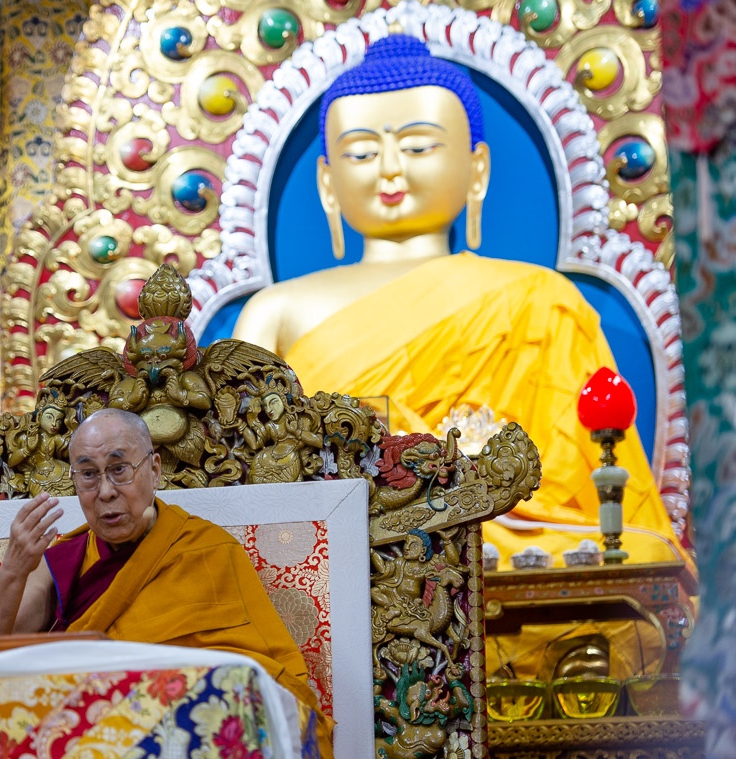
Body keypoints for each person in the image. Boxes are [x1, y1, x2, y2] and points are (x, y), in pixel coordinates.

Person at [231, 34, 689, 569]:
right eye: (361, 152)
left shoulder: (539, 299)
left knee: (635, 551)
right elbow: (248, 474)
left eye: (419, 146)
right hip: (349, 553)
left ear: (478, 169)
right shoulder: (277, 311)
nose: (389, 169)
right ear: (328, 183)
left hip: (508, 540)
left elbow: (577, 479)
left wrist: (472, 496)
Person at [0, 408, 333, 755]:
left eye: (119, 469)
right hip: (83, 736)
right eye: (88, 474)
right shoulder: (62, 560)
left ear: (154, 469)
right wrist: (14, 569)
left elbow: (261, 678)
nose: (106, 491)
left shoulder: (208, 551)